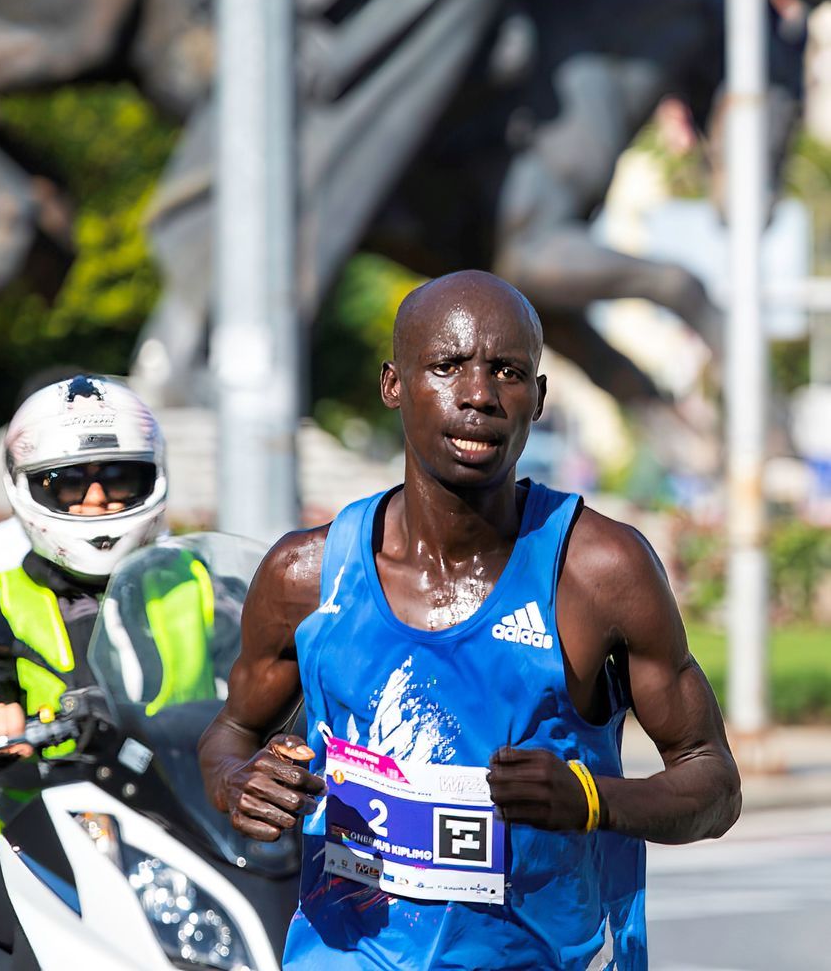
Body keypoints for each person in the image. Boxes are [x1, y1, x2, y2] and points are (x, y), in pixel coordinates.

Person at [198, 270, 741, 970]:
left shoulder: (600, 571)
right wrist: (240, 783)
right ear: (395, 384)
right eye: (448, 367)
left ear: (539, 398)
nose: (479, 396)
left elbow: (714, 784)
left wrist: (589, 799)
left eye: (508, 372)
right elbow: (232, 734)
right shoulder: (305, 576)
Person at [0, 373, 195, 958]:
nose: (96, 501)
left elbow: (264, 678)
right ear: (30, 489)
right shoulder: (4, 600)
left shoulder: (199, 585)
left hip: (188, 819)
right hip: (42, 825)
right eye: (68, 483)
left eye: (119, 477)